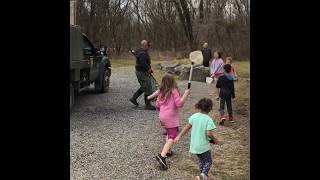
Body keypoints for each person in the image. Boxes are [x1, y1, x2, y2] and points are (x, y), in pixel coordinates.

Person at [174, 98, 218, 180]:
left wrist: (179, 136)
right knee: (208, 162)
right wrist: (214, 139)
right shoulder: (208, 119)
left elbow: (187, 127)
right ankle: (202, 176)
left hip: (194, 146)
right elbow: (209, 133)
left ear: (199, 106)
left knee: (202, 161)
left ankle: (203, 176)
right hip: (203, 147)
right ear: (210, 108)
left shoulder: (194, 116)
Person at [155, 73, 190, 170]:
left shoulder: (161, 92)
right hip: (170, 117)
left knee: (169, 132)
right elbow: (179, 104)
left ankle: (168, 151)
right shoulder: (174, 91)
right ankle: (162, 156)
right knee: (172, 136)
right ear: (173, 82)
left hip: (162, 116)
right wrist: (186, 94)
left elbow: (157, 106)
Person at [129, 40, 156, 110]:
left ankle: (133, 98)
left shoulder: (139, 51)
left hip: (140, 71)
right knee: (148, 87)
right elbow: (143, 64)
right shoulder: (143, 54)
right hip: (142, 72)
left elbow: (135, 54)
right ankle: (148, 105)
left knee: (144, 86)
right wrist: (148, 69)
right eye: (148, 45)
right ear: (145, 45)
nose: (149, 47)